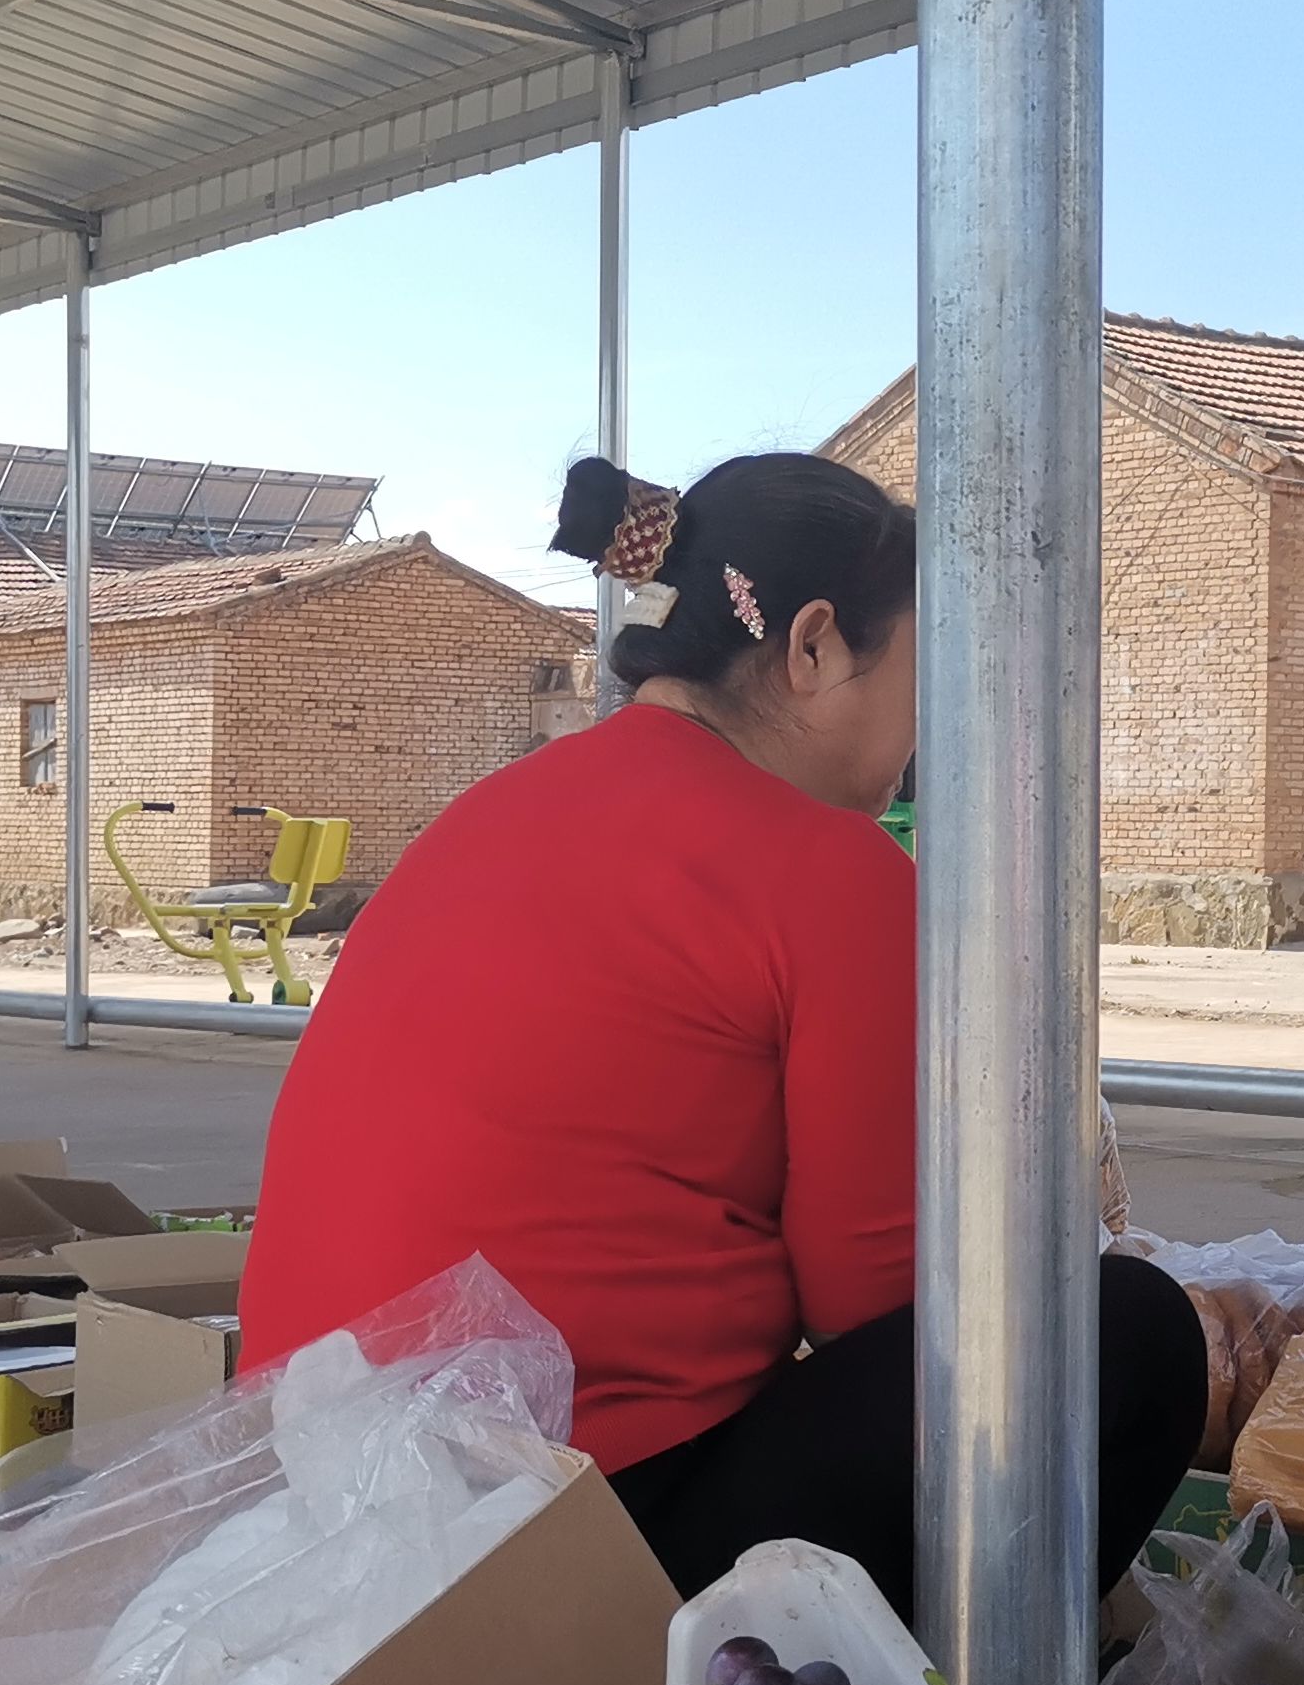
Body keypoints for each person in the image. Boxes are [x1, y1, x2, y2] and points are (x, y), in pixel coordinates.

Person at [237, 452, 1207, 1607]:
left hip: (301, 1497)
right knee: (1117, 1335)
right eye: (921, 682)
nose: (918, 743)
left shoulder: (487, 813)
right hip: (575, 1535)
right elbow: (887, 1303)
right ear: (813, 647)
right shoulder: (832, 867)